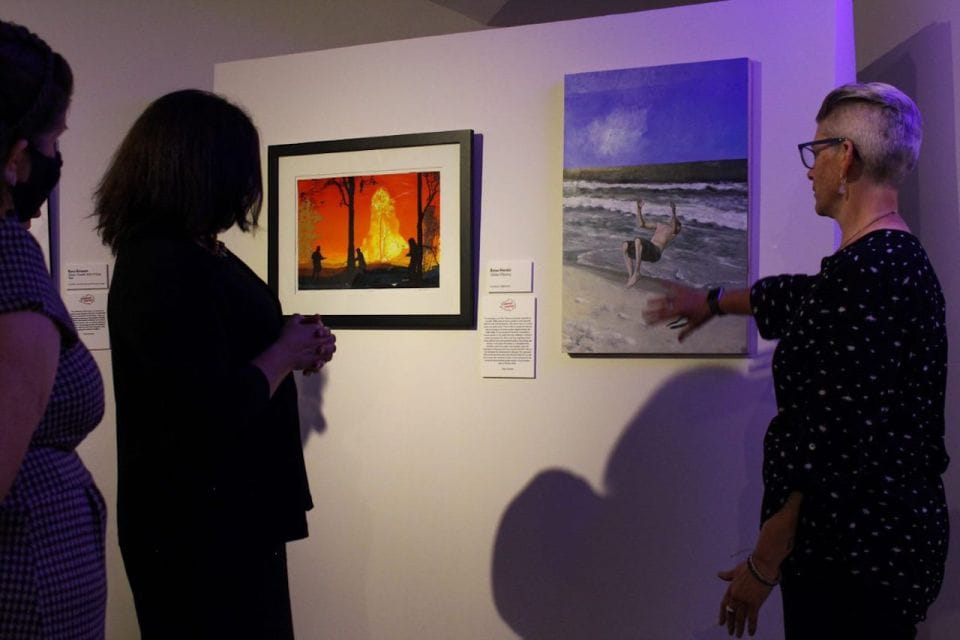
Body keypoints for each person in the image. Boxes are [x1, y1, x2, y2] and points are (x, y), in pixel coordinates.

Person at [645, 82, 948, 639]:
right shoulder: (882, 263)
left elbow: (828, 444)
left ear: (846, 156)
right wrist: (712, 302)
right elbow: (797, 297)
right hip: (877, 551)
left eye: (816, 152)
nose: (810, 170)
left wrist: (764, 562)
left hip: (855, 559)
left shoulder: (869, 274)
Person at [94, 90, 337, 639]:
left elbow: (218, 347)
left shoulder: (199, 250)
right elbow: (199, 409)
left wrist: (289, 339)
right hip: (195, 524)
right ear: (202, 167)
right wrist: (282, 353)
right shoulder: (160, 261)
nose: (248, 186)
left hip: (230, 511)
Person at [0, 20, 107, 638]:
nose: (54, 158)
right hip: (26, 582)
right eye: (52, 139)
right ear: (16, 157)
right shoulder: (8, 256)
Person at [622, 199, 681, 287]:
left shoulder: (672, 233)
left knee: (638, 240)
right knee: (625, 245)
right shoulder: (660, 225)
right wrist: (639, 209)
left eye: (677, 223)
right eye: (674, 220)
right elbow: (641, 224)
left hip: (655, 253)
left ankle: (637, 272)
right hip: (647, 252)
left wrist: (674, 212)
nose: (674, 221)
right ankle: (631, 276)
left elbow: (675, 228)